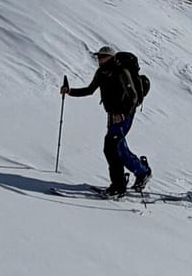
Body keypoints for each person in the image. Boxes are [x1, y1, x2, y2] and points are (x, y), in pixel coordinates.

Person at [61, 45, 151, 196]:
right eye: (98, 56)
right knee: (119, 148)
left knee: (110, 148)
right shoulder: (102, 72)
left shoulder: (122, 72)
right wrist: (70, 91)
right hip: (112, 115)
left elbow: (133, 97)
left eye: (102, 56)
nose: (99, 59)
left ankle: (118, 186)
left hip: (124, 115)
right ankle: (142, 172)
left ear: (111, 57)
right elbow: (90, 90)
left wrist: (123, 114)